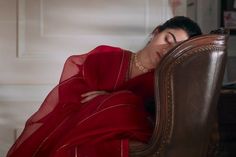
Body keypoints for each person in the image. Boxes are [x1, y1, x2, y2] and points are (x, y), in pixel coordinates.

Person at [7, 16, 202, 157]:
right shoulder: (107, 56)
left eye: (175, 50)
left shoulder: (162, 83)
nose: (166, 49)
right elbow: (71, 97)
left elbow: (150, 121)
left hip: (114, 138)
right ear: (156, 32)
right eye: (167, 39)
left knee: (124, 102)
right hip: (74, 127)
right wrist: (102, 104)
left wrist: (109, 101)